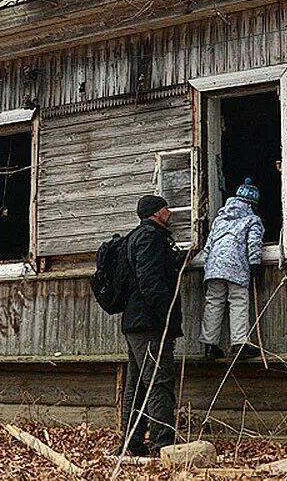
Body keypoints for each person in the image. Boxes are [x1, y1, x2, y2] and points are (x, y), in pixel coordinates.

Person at [120, 194, 183, 457]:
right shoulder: (150, 237)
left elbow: (150, 271)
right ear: (157, 213)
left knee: (137, 385)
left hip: (136, 322)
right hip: (149, 324)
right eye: (166, 208)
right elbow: (150, 281)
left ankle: (131, 444)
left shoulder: (137, 237)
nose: (170, 212)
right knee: (158, 382)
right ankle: (162, 445)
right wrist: (165, 314)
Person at [199, 178, 264, 361]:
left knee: (214, 302)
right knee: (238, 301)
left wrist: (206, 268)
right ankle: (239, 344)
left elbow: (208, 246)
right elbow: (253, 244)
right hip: (236, 267)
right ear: (252, 204)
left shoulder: (220, 220)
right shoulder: (252, 220)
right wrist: (255, 265)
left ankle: (210, 346)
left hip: (214, 268)